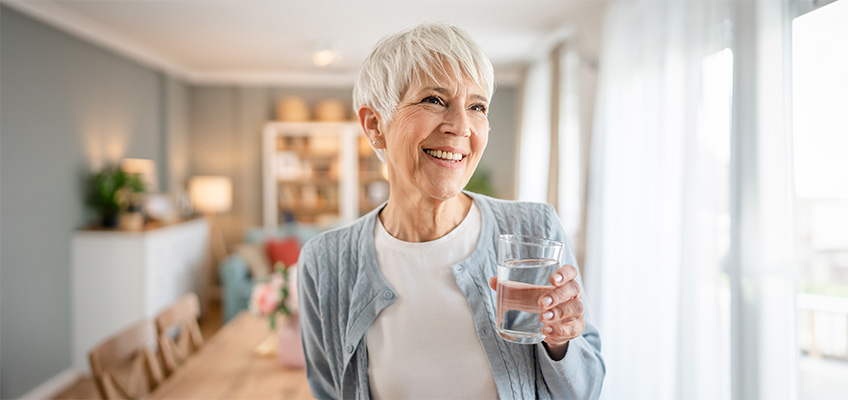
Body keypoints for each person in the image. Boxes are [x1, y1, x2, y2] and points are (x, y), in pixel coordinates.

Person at [297, 22, 605, 399]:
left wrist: (563, 343)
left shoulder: (535, 229)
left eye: (477, 107)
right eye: (434, 100)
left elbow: (585, 391)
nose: (461, 126)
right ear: (375, 124)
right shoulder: (326, 262)